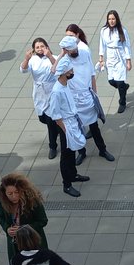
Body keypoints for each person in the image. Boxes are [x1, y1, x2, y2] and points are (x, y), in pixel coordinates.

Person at [59, 29, 115, 165]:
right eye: (70, 50)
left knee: (94, 126)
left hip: (87, 96)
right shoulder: (64, 60)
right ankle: (82, 152)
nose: (74, 51)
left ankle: (102, 149)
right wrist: (61, 55)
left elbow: (91, 74)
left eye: (74, 48)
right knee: (78, 128)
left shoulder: (84, 53)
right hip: (74, 99)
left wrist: (94, 93)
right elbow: (53, 71)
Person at [48, 55, 92, 198]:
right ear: (65, 73)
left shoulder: (64, 85)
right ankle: (67, 184)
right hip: (65, 125)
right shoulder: (57, 91)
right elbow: (56, 116)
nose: (73, 72)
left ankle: (73, 175)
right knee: (66, 155)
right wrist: (66, 131)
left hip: (71, 122)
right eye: (71, 70)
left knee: (72, 152)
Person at [21, 37, 60, 160]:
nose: (40, 49)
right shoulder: (32, 60)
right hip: (39, 92)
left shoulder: (54, 57)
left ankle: (52, 146)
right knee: (43, 118)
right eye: (37, 47)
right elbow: (23, 69)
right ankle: (58, 129)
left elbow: (59, 68)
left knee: (50, 121)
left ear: (46, 47)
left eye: (42, 46)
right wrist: (26, 59)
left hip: (52, 91)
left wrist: (49, 56)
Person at [0, 173, 49, 263]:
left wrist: (23, 228)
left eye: (16, 192)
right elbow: (1, 218)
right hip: (15, 245)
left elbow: (43, 221)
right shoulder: (4, 201)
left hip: (32, 242)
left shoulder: (32, 201)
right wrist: (7, 229)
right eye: (9, 194)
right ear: (4, 193)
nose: (13, 196)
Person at [97, 9, 132, 113]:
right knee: (111, 81)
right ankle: (124, 87)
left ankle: (122, 102)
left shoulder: (122, 30)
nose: (111, 21)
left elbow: (126, 46)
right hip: (110, 57)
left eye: (113, 19)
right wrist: (101, 57)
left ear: (116, 19)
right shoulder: (104, 31)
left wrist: (128, 60)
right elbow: (102, 44)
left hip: (120, 57)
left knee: (120, 81)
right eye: (109, 19)